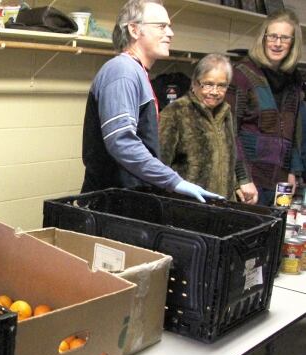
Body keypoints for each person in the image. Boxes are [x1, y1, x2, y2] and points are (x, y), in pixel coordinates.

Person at [81, 0, 221, 203]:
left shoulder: (137, 72)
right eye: (161, 26)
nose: (170, 33)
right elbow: (121, 141)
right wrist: (174, 182)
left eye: (169, 26)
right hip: (109, 204)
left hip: (125, 201)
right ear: (134, 29)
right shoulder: (122, 71)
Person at [226, 9, 304, 206]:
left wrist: (293, 171)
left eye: (285, 38)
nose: (277, 43)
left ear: (293, 43)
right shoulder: (242, 75)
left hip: (280, 182)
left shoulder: (294, 80)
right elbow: (229, 130)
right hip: (250, 182)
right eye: (273, 36)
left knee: (277, 234)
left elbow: (294, 130)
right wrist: (242, 179)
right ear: (263, 38)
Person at [159, 54, 255, 202]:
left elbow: (227, 157)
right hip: (187, 206)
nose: (215, 92)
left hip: (222, 205)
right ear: (195, 83)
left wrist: (236, 185)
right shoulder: (176, 112)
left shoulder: (226, 112)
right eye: (208, 84)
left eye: (222, 85)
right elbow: (160, 165)